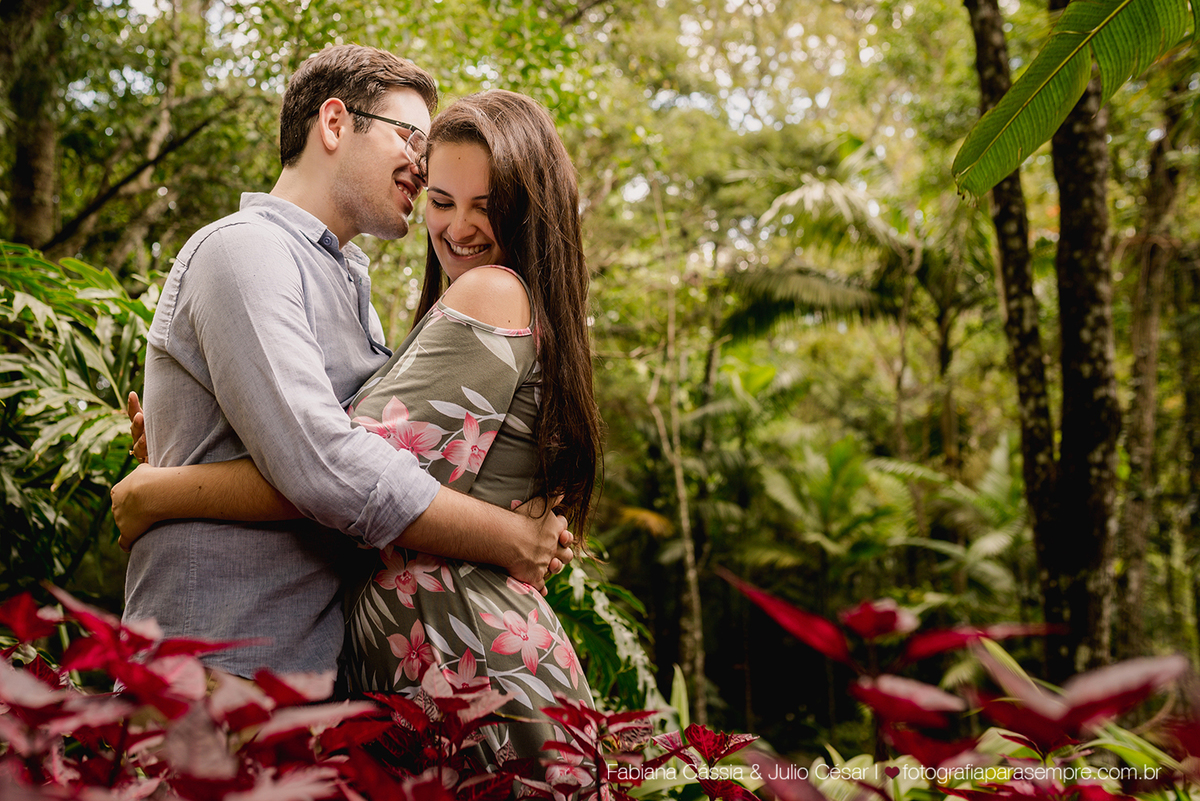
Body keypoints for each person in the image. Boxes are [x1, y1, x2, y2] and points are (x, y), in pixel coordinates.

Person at [115, 89, 602, 765]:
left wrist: (156, 489)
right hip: (398, 676)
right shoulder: (259, 256)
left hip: (470, 672)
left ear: (523, 208)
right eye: (442, 199)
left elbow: (336, 470)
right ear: (336, 122)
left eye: (485, 206)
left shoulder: (488, 292)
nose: (456, 226)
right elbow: (333, 460)